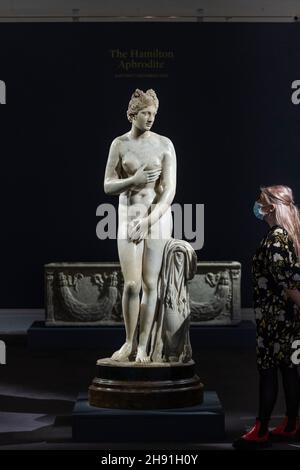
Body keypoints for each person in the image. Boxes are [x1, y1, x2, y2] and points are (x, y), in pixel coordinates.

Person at [103, 89, 176, 363]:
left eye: (154, 114)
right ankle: (128, 342)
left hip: (155, 220)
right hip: (128, 219)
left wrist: (148, 220)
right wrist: (132, 180)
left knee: (150, 284)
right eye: (146, 113)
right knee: (132, 284)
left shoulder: (165, 145)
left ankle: (143, 346)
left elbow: (169, 191)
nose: (150, 118)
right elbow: (108, 185)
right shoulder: (119, 144)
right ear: (133, 114)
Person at [233, 185, 300, 449]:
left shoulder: (275, 239)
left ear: (271, 207)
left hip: (274, 321)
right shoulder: (286, 236)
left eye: (260, 201)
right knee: (289, 370)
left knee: (268, 372)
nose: (257, 205)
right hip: (284, 320)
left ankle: (261, 429)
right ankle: (292, 424)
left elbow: (290, 285)